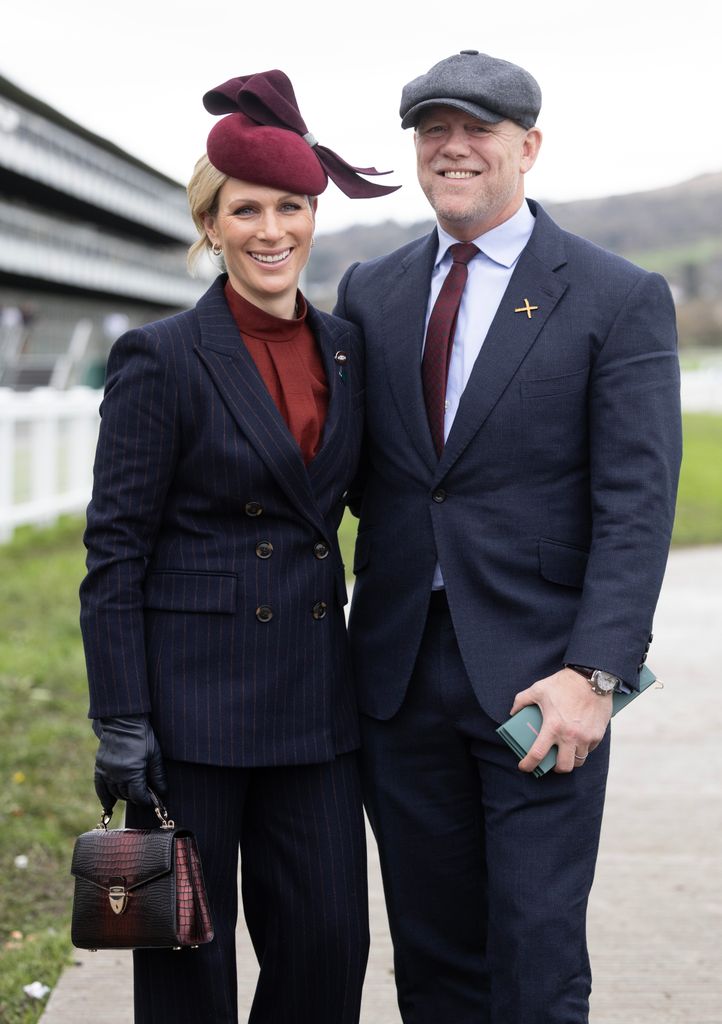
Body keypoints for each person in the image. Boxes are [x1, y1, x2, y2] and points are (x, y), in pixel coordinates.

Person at [334, 50, 682, 1024]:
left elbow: (635, 504)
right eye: (431, 131)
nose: (451, 148)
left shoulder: (615, 296)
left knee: (533, 959)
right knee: (435, 962)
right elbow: (343, 473)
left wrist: (595, 673)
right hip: (396, 679)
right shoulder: (370, 290)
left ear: (526, 146)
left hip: (540, 683)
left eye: (476, 129)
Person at [79, 69, 397, 1024]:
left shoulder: (349, 348)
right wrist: (121, 718)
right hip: (188, 714)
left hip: (315, 702)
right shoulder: (162, 355)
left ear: (313, 216)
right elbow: (115, 552)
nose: (272, 230)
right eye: (246, 209)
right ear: (210, 225)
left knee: (330, 950)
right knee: (185, 965)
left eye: (291, 207)